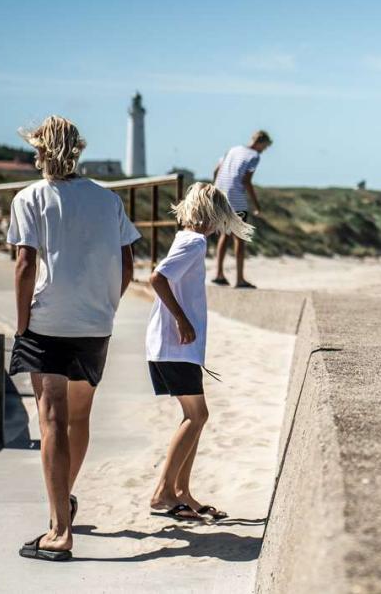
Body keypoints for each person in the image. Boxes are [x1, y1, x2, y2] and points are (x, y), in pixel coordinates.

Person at [7, 116, 140, 562]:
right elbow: (127, 267)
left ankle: (60, 531)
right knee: (78, 420)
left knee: (51, 423)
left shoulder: (31, 198)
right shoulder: (108, 201)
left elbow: (26, 265)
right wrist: (106, 307)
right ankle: (63, 501)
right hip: (94, 324)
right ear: (78, 151)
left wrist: (22, 323)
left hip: (47, 326)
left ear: (41, 151)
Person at [147, 182, 253, 521]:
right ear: (210, 215)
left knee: (193, 416)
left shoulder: (186, 239)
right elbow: (157, 278)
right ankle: (164, 492)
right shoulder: (193, 243)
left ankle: (181, 493)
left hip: (171, 347)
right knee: (198, 415)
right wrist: (181, 320)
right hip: (174, 347)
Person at [212, 130, 271, 288]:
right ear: (261, 143)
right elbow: (246, 180)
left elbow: (216, 170)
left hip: (220, 194)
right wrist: (256, 205)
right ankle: (239, 279)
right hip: (236, 198)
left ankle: (219, 274)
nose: (264, 150)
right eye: (265, 147)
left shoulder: (233, 149)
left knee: (224, 234)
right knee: (240, 238)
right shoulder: (254, 156)